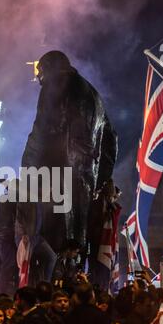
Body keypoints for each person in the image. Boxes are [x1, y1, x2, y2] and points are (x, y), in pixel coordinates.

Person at [21, 50, 117, 259]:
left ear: (51, 68)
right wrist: (100, 181)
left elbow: (41, 130)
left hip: (56, 174)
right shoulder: (95, 96)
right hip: (85, 180)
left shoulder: (55, 84)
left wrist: (26, 170)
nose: (38, 78)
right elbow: (111, 141)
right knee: (76, 245)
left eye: (41, 72)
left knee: (52, 246)